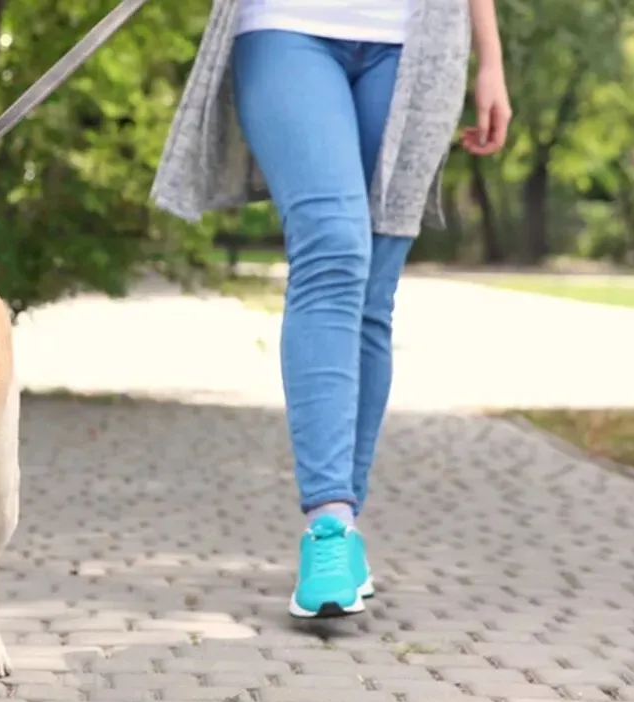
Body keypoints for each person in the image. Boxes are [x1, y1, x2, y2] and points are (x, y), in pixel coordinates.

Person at [150, 0, 511, 618]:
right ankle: (327, 523)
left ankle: (344, 529)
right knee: (334, 248)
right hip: (287, 26)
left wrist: (491, 60)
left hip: (419, 41)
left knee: (373, 293)